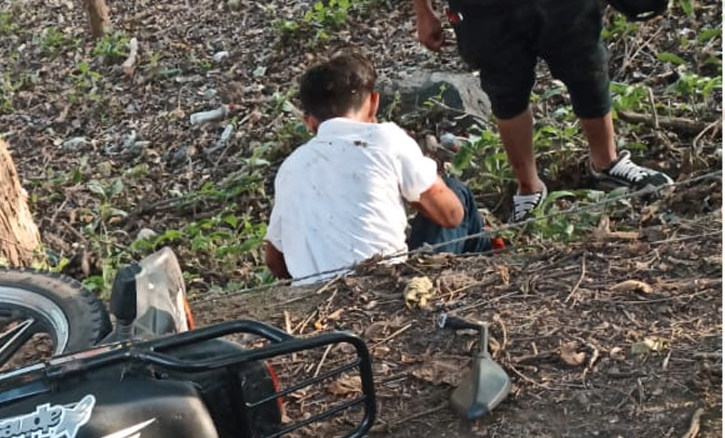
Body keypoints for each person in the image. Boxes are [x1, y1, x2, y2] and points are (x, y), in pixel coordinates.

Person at [411, 0, 673, 223]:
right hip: (484, 9)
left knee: (586, 66)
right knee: (505, 89)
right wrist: (423, 11)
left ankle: (607, 162)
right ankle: (528, 188)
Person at [264, 51, 490, 287]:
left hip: (316, 298)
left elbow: (274, 261)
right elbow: (451, 215)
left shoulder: (290, 167)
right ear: (373, 103)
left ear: (308, 123)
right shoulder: (386, 139)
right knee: (457, 192)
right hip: (386, 287)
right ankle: (487, 276)